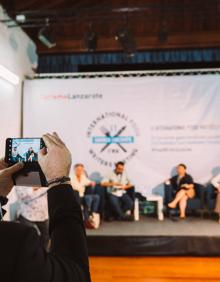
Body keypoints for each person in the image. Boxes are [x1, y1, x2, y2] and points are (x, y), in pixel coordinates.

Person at [0, 132, 91, 282]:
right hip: (28, 215)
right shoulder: (17, 242)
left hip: (44, 215)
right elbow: (75, 272)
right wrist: (59, 180)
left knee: (45, 238)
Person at [15, 186, 49, 250]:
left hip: (43, 214)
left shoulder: (42, 177)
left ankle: (43, 252)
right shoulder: (21, 181)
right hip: (26, 214)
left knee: (46, 235)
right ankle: (29, 254)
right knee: (30, 236)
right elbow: (22, 196)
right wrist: (36, 188)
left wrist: (35, 189)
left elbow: (48, 188)